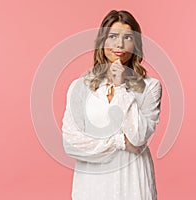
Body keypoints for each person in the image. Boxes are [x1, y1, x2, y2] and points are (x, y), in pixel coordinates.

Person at [62, 10, 162, 200]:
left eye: (128, 37)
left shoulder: (150, 86)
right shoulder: (80, 87)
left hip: (132, 177)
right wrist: (119, 142)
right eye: (113, 36)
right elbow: (71, 143)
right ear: (102, 42)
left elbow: (138, 137)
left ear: (136, 44)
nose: (120, 44)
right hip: (92, 181)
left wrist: (121, 87)